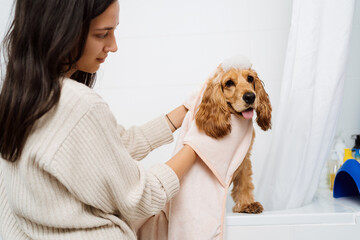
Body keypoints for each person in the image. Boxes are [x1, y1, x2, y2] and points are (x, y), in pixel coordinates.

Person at [0, 0, 197, 239]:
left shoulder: (17, 97)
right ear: (61, 30)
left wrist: (184, 113)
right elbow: (141, 197)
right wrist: (197, 144)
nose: (113, 46)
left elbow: (112, 148)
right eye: (103, 34)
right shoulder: (76, 103)